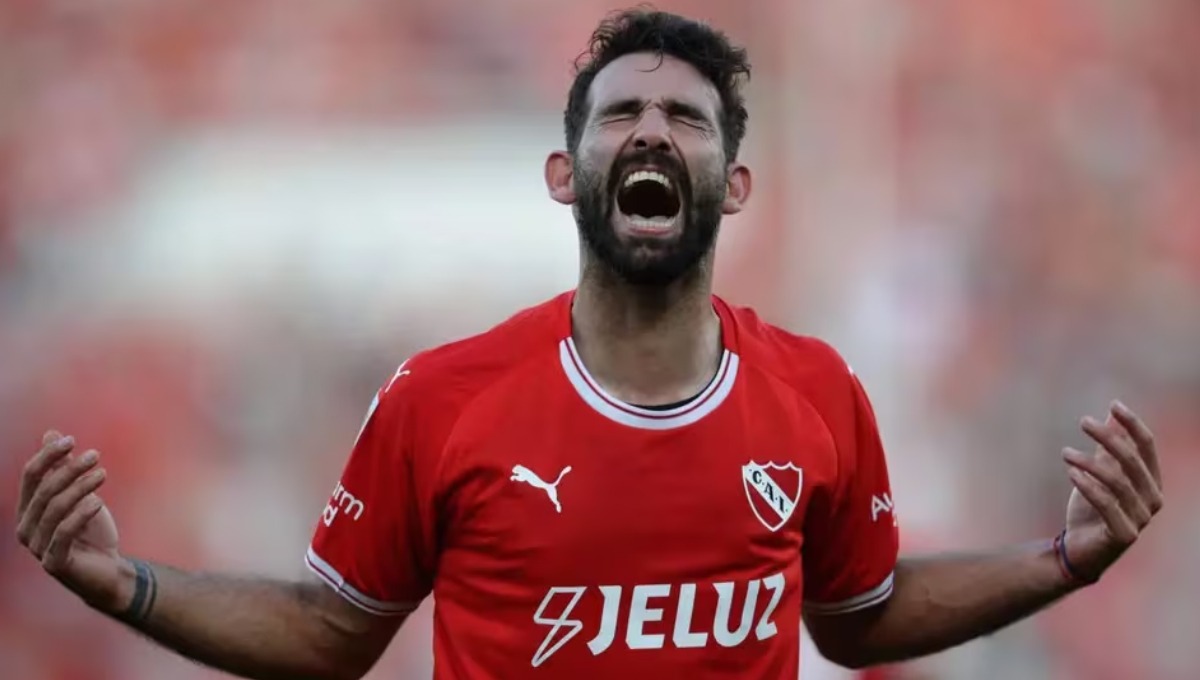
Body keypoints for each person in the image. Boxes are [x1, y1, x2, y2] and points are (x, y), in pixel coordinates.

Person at [13, 9, 1164, 680]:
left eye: (688, 120)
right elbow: (331, 631)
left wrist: (1060, 561)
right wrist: (129, 584)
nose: (653, 131)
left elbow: (856, 613)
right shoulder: (444, 396)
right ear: (566, 173)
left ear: (735, 180)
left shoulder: (816, 393)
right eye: (621, 114)